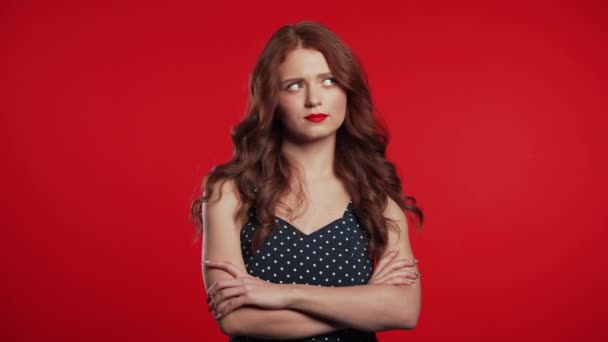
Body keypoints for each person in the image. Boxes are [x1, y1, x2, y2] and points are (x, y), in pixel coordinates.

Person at [190, 20, 424, 341]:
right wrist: (364, 302)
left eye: (329, 81)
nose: (314, 99)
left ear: (347, 90)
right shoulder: (230, 191)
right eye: (295, 85)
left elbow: (404, 310)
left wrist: (285, 294)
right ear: (272, 100)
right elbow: (235, 318)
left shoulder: (375, 195)